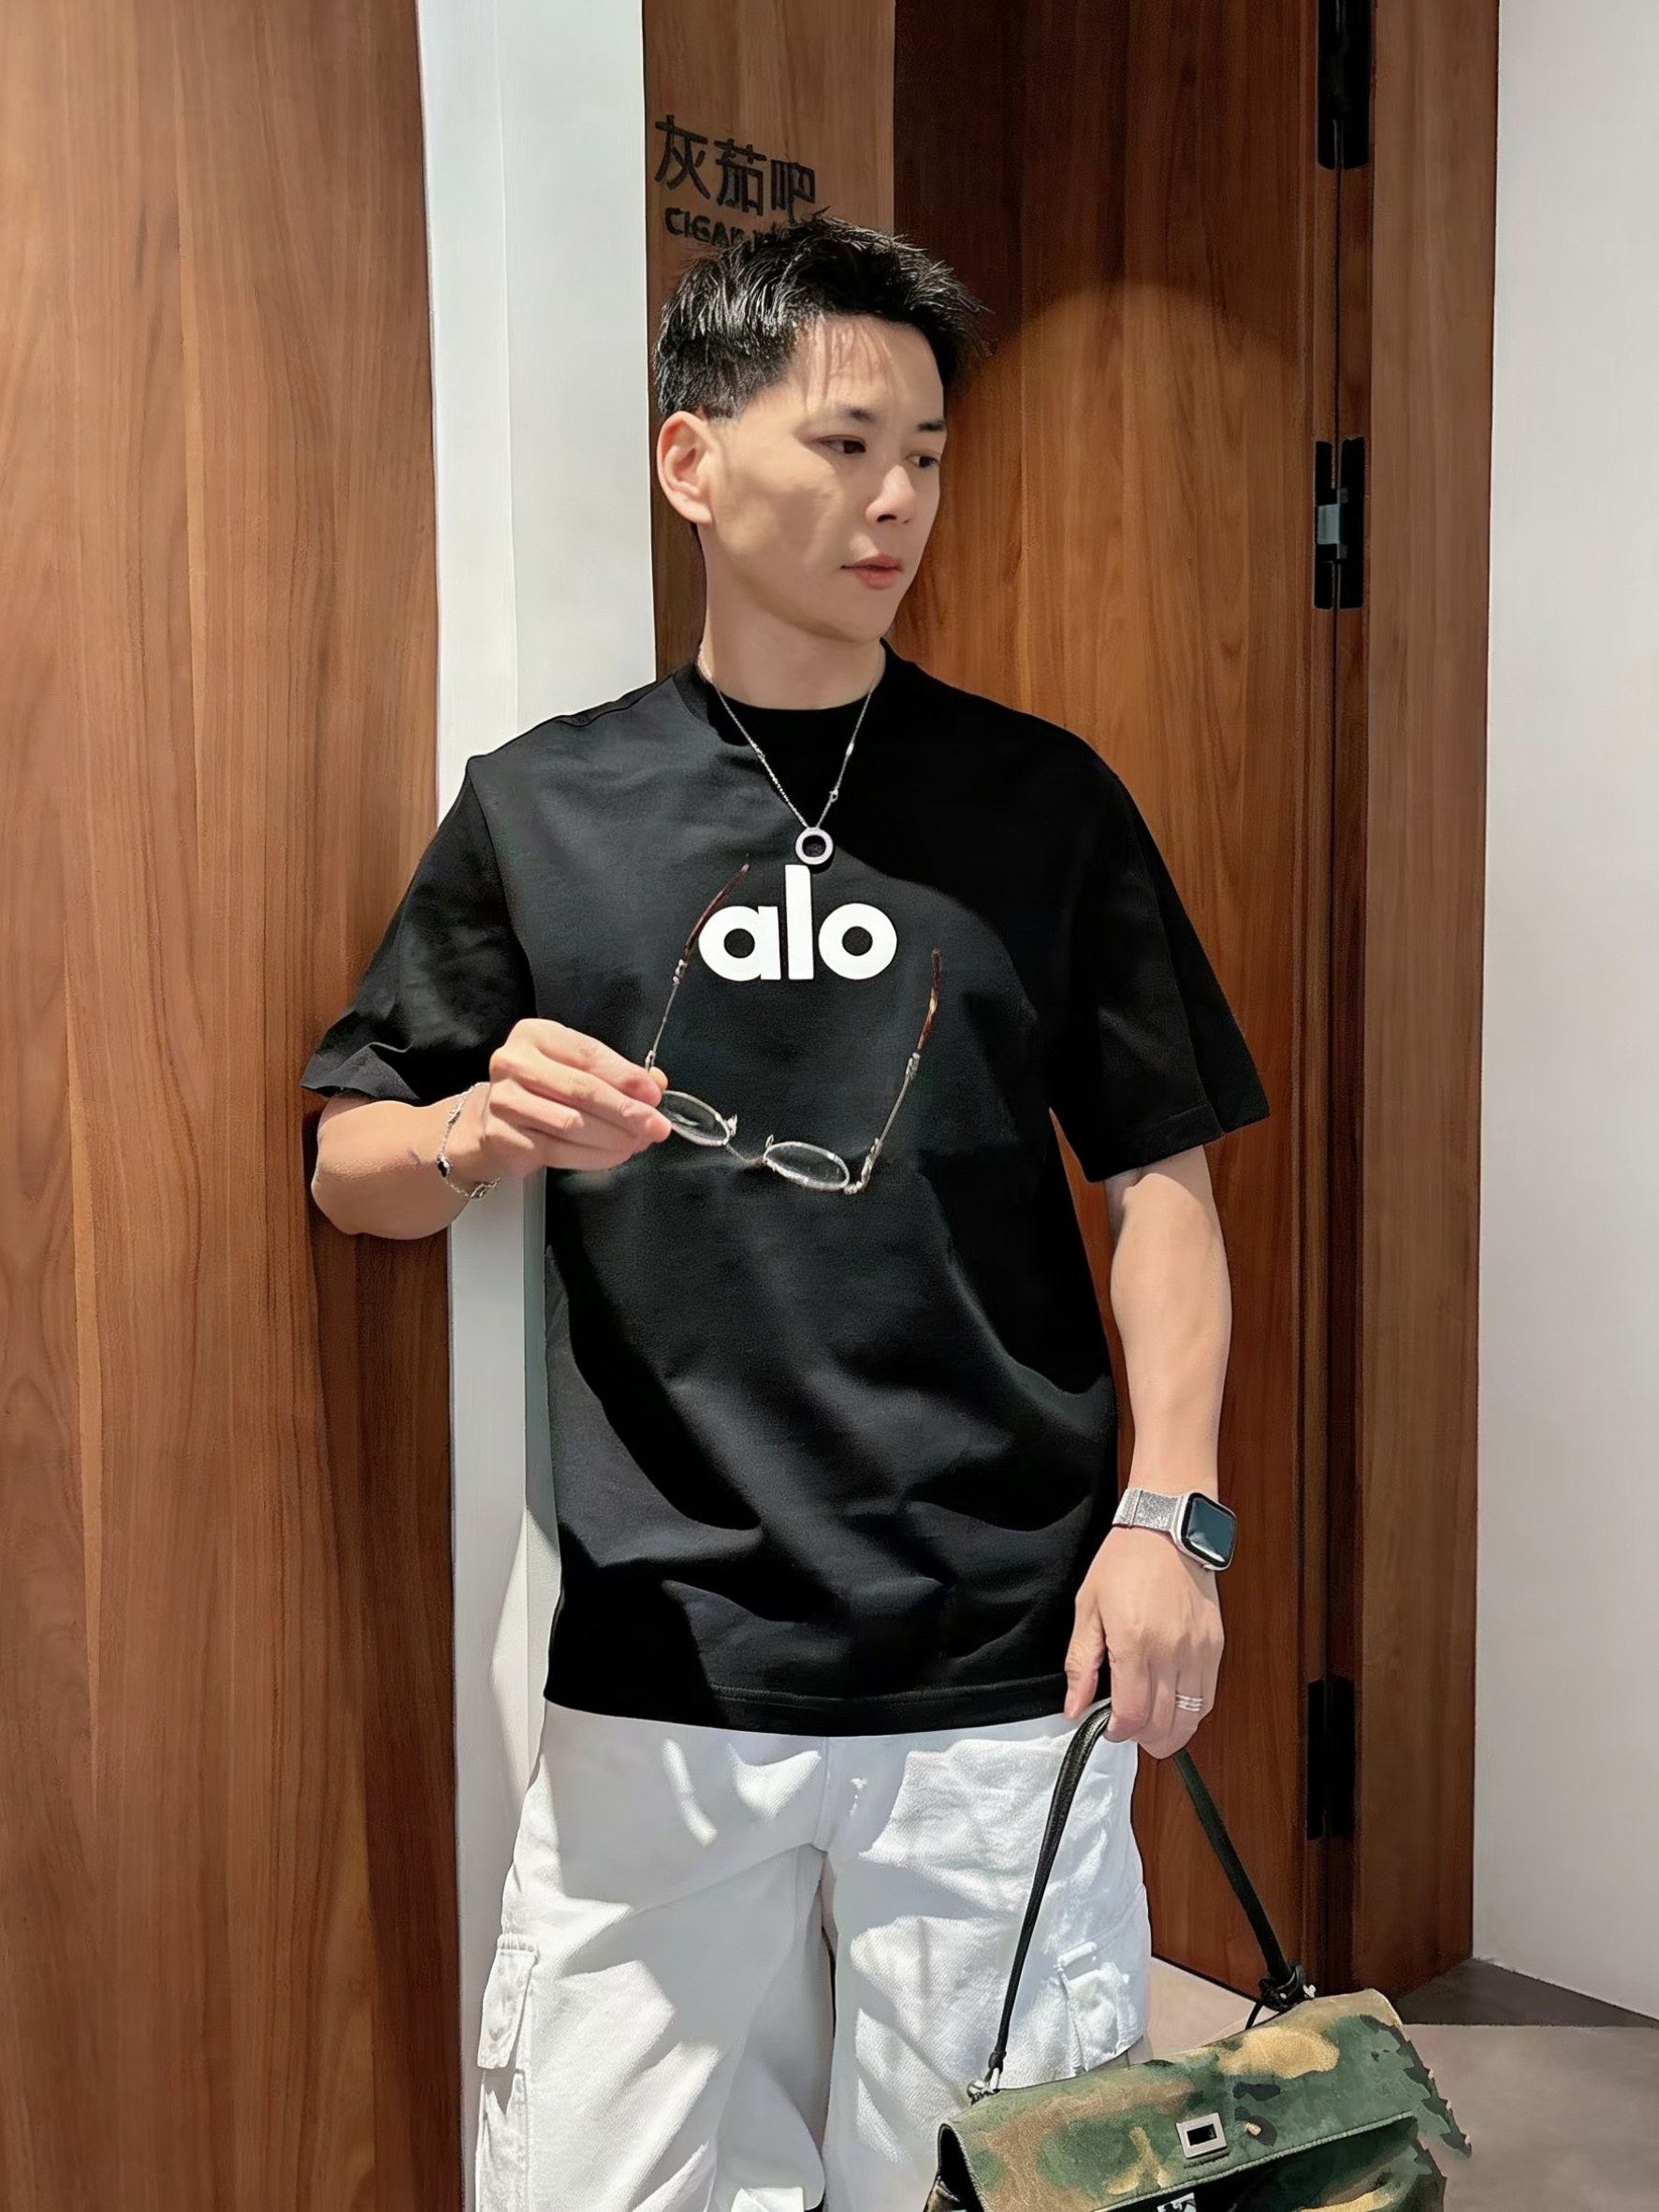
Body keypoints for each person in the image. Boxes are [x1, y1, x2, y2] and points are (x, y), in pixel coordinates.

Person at [300, 212, 1270, 2212]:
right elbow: (351, 1169)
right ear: (692, 460)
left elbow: (1158, 1179)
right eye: (843, 446)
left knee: (1003, 2185)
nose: (894, 498)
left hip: (1003, 1661)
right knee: (595, 2180)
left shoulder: (1042, 803)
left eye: (923, 453)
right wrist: (477, 1127)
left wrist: (1169, 1515)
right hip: (663, 1660)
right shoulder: (545, 807)